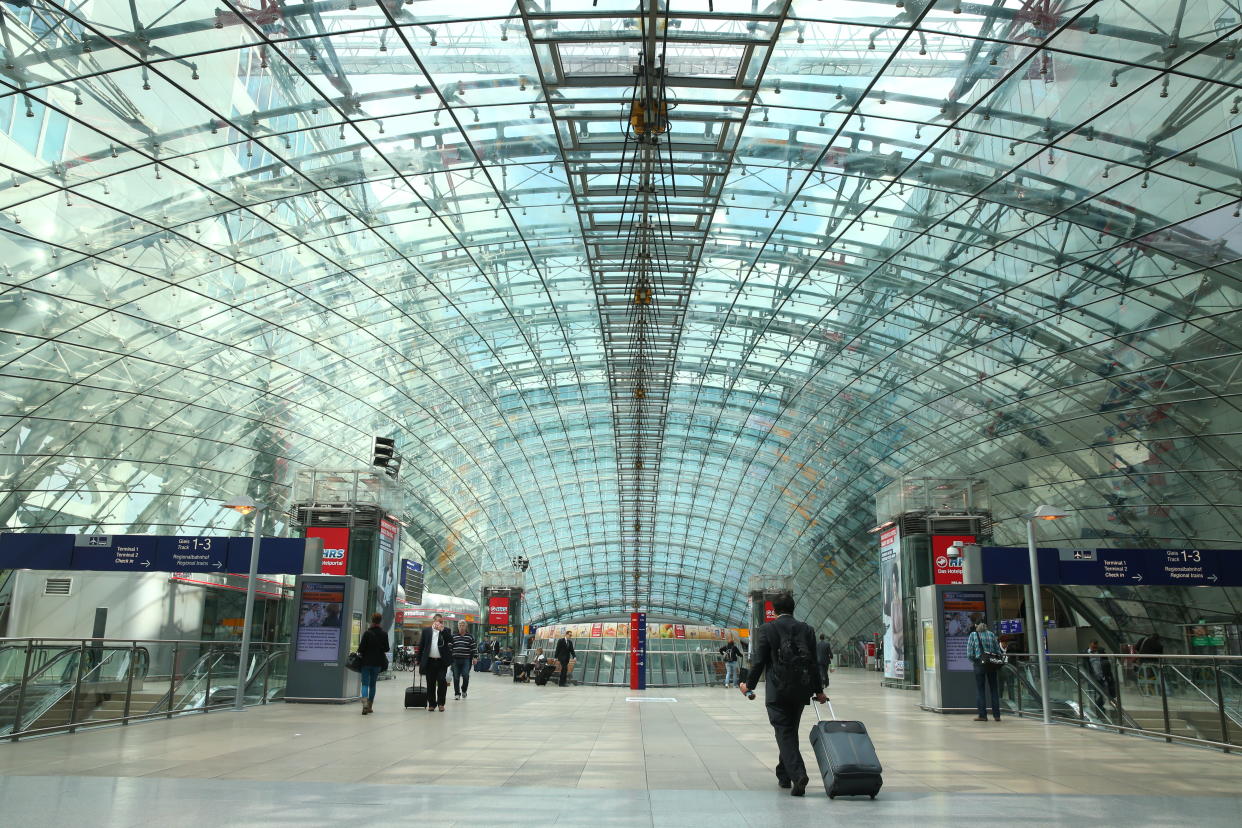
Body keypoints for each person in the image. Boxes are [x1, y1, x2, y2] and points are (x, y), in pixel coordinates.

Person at [738, 592, 827, 798]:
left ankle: (798, 775)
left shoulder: (768, 629)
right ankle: (783, 774)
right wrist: (819, 691)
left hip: (777, 691)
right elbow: (813, 664)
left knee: (784, 732)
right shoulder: (807, 629)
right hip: (801, 690)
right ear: (793, 608)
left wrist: (748, 686)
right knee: (789, 731)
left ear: (774, 610)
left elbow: (759, 661)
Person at [967, 621, 1002, 721]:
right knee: (994, 689)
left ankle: (982, 715)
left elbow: (969, 653)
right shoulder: (991, 634)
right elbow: (998, 651)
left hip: (979, 665)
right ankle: (997, 715)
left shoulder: (973, 635)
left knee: (980, 690)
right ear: (986, 625)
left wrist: (975, 661)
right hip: (991, 664)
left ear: (976, 626)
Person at [418, 614, 453, 712]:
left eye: (442, 622)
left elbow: (451, 640)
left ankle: (441, 703)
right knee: (430, 683)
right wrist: (419, 660)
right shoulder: (426, 631)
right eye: (438, 621)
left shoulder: (446, 631)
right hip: (429, 661)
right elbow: (422, 645)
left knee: (442, 681)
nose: (440, 623)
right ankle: (432, 704)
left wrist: (442, 630)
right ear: (434, 621)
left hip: (441, 662)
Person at [357, 612, 389, 715]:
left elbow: (361, 649)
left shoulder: (367, 633)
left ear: (372, 621)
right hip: (377, 663)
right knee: (373, 685)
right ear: (380, 621)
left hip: (366, 662)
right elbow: (387, 648)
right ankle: (370, 706)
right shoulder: (384, 634)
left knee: (365, 684)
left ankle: (364, 704)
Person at [1085, 641, 1116, 709]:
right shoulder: (1085, 654)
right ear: (1090, 645)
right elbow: (1085, 665)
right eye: (1093, 647)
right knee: (1100, 692)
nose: (1095, 649)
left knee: (1108, 691)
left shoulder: (1101, 651)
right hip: (1093, 676)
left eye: (1096, 647)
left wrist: (1109, 675)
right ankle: (1098, 706)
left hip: (1103, 675)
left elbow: (1107, 664)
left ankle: (1100, 706)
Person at [450, 620, 477, 700]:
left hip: (466, 660)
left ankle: (464, 690)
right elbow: (450, 647)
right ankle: (457, 693)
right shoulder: (453, 636)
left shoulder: (470, 636)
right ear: (458, 627)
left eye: (463, 625)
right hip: (455, 659)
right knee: (456, 677)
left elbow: (474, 648)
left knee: (465, 676)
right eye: (460, 625)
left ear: (466, 627)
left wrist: (475, 657)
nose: (461, 627)